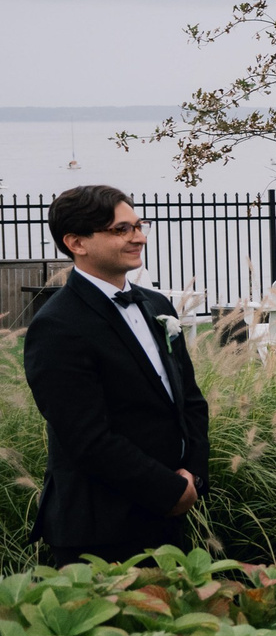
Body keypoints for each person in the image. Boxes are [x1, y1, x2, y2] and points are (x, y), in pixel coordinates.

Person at [25, 185, 210, 566]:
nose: (139, 237)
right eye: (121, 230)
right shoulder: (57, 325)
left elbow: (189, 400)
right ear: (77, 242)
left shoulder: (156, 304)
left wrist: (192, 476)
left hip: (169, 517)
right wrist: (169, 489)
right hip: (100, 531)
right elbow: (86, 437)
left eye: (139, 226)